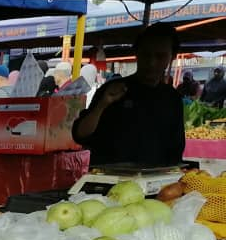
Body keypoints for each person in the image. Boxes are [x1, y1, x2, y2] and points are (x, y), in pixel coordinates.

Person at [72, 23, 185, 167]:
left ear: (172, 57)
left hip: (156, 182)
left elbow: (175, 151)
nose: (151, 62)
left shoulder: (172, 99)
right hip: (110, 181)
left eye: (160, 56)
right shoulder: (113, 90)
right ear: (136, 53)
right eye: (146, 54)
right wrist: (102, 105)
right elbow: (80, 135)